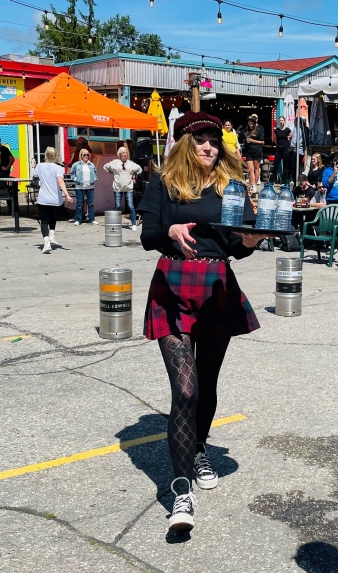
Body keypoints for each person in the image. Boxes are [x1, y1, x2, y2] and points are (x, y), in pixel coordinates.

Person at [137, 111, 271, 533]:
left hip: (216, 286)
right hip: (172, 285)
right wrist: (171, 230)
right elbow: (148, 236)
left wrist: (251, 239)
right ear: (183, 144)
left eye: (215, 140)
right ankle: (181, 493)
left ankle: (198, 449)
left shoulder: (229, 184)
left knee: (207, 383)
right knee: (186, 389)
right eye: (200, 140)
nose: (210, 146)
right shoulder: (163, 181)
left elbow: (239, 243)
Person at [32, 147, 72, 254]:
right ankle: (52, 236)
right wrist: (67, 195)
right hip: (55, 198)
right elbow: (60, 181)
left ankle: (46, 243)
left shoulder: (39, 166)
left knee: (44, 220)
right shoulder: (58, 168)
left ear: (45, 155)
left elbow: (35, 176)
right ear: (55, 156)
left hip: (43, 198)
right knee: (53, 216)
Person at [104, 147, 143, 231]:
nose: (125, 154)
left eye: (126, 153)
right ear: (120, 154)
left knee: (131, 206)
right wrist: (111, 172)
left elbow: (140, 169)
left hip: (128, 188)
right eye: (124, 153)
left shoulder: (131, 163)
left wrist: (134, 174)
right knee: (117, 206)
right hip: (117, 188)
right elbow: (105, 167)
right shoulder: (115, 162)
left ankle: (133, 224)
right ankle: (116, 224)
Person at [69, 149, 98, 226]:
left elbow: (95, 173)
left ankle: (91, 219)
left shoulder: (91, 165)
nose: (86, 156)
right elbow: (71, 174)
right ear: (81, 156)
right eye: (84, 155)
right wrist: (76, 179)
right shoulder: (76, 164)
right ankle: (78, 219)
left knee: (91, 204)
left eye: (87, 155)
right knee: (79, 203)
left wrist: (95, 179)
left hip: (90, 186)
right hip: (79, 187)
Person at [0, 135, 15, 216]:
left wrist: (7, 167)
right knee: (3, 188)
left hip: (3, 172)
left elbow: (12, 159)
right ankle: (9, 206)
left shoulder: (4, 149)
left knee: (1, 188)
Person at [242, 114, 265, 190]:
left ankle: (254, 184)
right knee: (250, 169)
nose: (250, 123)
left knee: (256, 168)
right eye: (249, 121)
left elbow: (262, 142)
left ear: (254, 122)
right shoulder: (245, 130)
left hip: (257, 151)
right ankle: (253, 184)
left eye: (252, 121)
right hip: (248, 151)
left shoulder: (258, 130)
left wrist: (253, 140)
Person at [271, 116, 293, 185]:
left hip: (285, 149)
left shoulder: (288, 130)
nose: (281, 122)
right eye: (280, 120)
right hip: (278, 149)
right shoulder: (276, 130)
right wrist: (278, 145)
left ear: (284, 121)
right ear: (278, 121)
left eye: (282, 120)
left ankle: (284, 182)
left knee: (285, 166)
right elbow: (275, 139)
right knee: (276, 165)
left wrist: (288, 145)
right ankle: (272, 181)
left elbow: (290, 138)